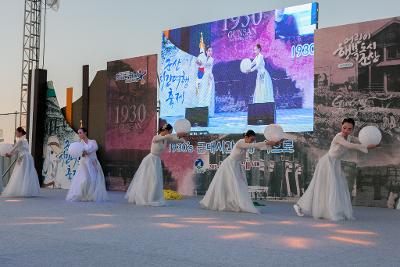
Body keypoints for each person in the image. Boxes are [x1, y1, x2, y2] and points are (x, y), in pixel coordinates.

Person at [293, 118, 377, 221]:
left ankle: (328, 211)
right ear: (341, 126)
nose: (346, 130)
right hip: (326, 162)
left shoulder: (350, 137)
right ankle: (299, 205)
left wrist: (373, 145)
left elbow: (360, 141)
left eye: (349, 129)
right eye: (344, 127)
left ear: (352, 129)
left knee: (336, 187)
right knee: (319, 186)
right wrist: (365, 147)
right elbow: (349, 146)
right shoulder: (338, 137)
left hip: (335, 164)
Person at [200, 130, 279, 213]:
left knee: (238, 185)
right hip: (229, 165)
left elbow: (258, 147)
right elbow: (254, 145)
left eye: (253, 140)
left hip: (236, 166)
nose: (252, 141)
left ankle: (235, 202)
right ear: (246, 137)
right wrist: (267, 142)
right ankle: (224, 202)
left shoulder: (247, 143)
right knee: (228, 184)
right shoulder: (240, 143)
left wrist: (272, 144)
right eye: (251, 139)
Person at [125, 124, 186, 206]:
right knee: (150, 179)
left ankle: (153, 197)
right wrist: (173, 135)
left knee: (156, 180)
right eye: (170, 131)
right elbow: (166, 137)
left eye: (171, 132)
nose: (170, 133)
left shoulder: (165, 139)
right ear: (166, 131)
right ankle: (146, 197)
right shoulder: (156, 137)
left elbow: (175, 140)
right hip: (150, 160)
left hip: (156, 160)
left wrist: (182, 139)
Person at [66, 128, 108, 202]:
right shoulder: (80, 144)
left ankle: (92, 195)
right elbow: (80, 154)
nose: (79, 134)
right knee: (84, 179)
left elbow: (95, 148)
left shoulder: (92, 142)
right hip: (84, 164)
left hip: (93, 162)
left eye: (80, 132)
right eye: (78, 133)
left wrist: (86, 151)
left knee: (94, 179)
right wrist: (82, 153)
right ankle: (82, 194)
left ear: (85, 133)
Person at [2, 127, 40, 197]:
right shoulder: (25, 140)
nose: (16, 134)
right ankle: (26, 190)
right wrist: (10, 154)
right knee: (26, 173)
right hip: (28, 157)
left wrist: (9, 153)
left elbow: (14, 148)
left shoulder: (20, 140)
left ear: (20, 132)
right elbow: (17, 150)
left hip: (24, 157)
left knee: (21, 172)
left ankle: (24, 190)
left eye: (16, 132)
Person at [197, 46, 215, 116]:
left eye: (211, 51)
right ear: (206, 51)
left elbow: (205, 65)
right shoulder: (203, 57)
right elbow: (199, 65)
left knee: (209, 93)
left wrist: (200, 62)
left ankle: (209, 112)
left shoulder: (211, 59)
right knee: (203, 92)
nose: (211, 52)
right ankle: (201, 109)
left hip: (209, 77)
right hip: (204, 77)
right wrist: (198, 61)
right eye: (209, 51)